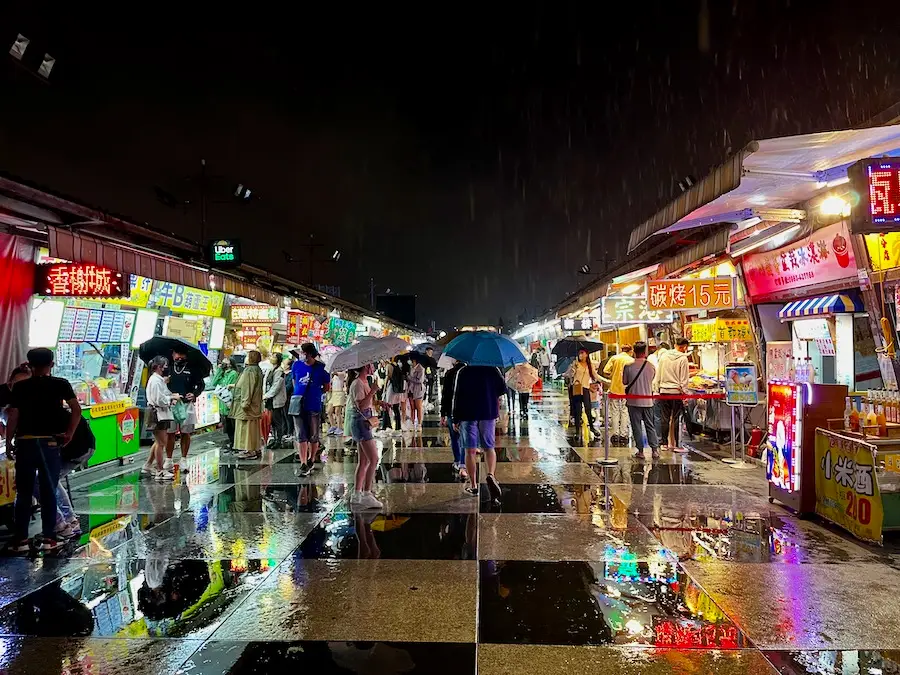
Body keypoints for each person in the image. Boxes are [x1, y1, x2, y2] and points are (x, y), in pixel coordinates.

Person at [4, 348, 81, 553]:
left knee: (24, 493)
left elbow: (13, 416)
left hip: (25, 444)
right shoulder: (60, 384)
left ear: (29, 365)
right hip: (49, 444)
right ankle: (49, 538)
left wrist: (10, 441)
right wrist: (69, 433)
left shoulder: (20, 387)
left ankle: (20, 540)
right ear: (52, 364)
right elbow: (76, 409)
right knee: (48, 492)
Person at [452, 363, 507, 498]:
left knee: (469, 450)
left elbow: (457, 395)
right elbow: (502, 389)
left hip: (467, 414)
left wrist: (455, 418)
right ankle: (491, 475)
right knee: (489, 448)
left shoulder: (463, 371)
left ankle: (474, 485)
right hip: (488, 411)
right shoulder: (493, 369)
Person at [290, 343, 330, 476]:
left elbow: (326, 387)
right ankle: (303, 462)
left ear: (310, 354)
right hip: (298, 405)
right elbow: (295, 382)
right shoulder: (296, 365)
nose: (301, 354)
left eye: (303, 352)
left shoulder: (321, 368)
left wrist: (315, 393)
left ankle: (311, 458)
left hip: (313, 405)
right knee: (301, 435)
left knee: (313, 435)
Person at [348, 363, 383, 509]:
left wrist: (380, 402)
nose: (373, 367)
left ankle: (357, 494)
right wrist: (373, 391)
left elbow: (368, 402)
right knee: (374, 458)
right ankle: (367, 494)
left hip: (363, 420)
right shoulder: (357, 383)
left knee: (363, 461)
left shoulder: (363, 382)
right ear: (365, 367)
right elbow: (361, 405)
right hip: (360, 422)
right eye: (371, 365)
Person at [165, 348, 206, 473]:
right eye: (177, 353)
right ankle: (168, 459)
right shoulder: (167, 368)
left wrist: (194, 394)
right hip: (171, 404)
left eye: (182, 354)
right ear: (172, 354)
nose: (179, 357)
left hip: (187, 405)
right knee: (170, 433)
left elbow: (201, 384)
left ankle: (183, 459)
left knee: (186, 432)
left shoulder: (193, 369)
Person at [623, 341, 660, 459]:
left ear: (634, 352)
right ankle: (654, 450)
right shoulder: (651, 366)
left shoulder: (628, 366)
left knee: (636, 426)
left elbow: (624, 382)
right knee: (650, 425)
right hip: (648, 401)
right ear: (645, 352)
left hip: (633, 402)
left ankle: (641, 451)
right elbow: (652, 378)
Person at [143, 356, 178, 480]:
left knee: (158, 441)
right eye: (164, 366)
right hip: (158, 414)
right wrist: (171, 399)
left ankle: (148, 465)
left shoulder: (158, 380)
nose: (166, 368)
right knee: (161, 443)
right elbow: (160, 400)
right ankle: (160, 470)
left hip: (160, 413)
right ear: (158, 367)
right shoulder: (156, 381)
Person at [655, 337, 691, 451]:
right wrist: (685, 393)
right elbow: (684, 379)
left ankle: (664, 443)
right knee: (675, 418)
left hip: (663, 391)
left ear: (675, 344)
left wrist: (657, 389)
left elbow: (658, 375)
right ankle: (675, 444)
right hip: (676, 392)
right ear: (684, 347)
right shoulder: (683, 359)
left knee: (664, 418)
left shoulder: (663, 357)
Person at [233, 350, 264, 460]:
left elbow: (248, 388)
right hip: (255, 404)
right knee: (253, 428)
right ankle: (255, 448)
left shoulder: (249, 370)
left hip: (248, 405)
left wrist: (245, 403)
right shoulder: (257, 369)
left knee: (246, 429)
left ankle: (249, 450)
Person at [565, 349, 601, 441]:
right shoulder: (575, 363)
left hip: (585, 389)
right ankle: (577, 431)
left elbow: (595, 375)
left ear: (586, 354)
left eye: (582, 353)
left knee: (588, 409)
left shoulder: (590, 365)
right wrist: (573, 368)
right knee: (578, 411)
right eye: (579, 353)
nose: (580, 355)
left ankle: (592, 428)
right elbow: (568, 375)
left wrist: (606, 381)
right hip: (576, 389)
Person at [441, 359, 466, 479]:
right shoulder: (468, 373)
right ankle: (463, 463)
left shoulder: (449, 373)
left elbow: (445, 395)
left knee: (454, 437)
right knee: (464, 438)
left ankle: (457, 460)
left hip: (451, 411)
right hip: (466, 411)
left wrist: (442, 414)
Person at [604, 345, 634, 446]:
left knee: (615, 411)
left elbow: (606, 371)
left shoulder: (614, 358)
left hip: (615, 388)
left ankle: (615, 434)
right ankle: (623, 434)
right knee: (625, 411)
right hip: (627, 389)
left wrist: (613, 375)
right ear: (630, 351)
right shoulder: (631, 360)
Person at [209, 357, 238, 449]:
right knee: (227, 425)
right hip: (222, 403)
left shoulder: (233, 374)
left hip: (229, 402)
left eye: (227, 361)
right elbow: (214, 383)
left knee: (232, 425)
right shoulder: (222, 374)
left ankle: (235, 443)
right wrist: (219, 370)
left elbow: (227, 387)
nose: (224, 362)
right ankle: (231, 442)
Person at [263, 353, 288, 449]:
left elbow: (276, 386)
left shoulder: (280, 371)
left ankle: (279, 440)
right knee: (271, 421)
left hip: (276, 399)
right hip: (269, 400)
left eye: (274, 357)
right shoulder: (270, 370)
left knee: (277, 420)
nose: (271, 358)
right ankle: (274, 438)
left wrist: (267, 395)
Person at [384, 356, 406, 434]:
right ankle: (398, 426)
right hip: (397, 390)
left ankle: (387, 425)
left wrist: (384, 389)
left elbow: (387, 378)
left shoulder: (389, 366)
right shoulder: (397, 366)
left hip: (391, 389)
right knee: (396, 408)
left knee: (386, 406)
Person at [407, 357, 426, 430]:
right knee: (412, 408)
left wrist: (409, 377)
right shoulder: (411, 368)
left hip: (418, 390)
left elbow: (420, 381)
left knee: (418, 407)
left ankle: (419, 424)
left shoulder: (421, 369)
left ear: (414, 360)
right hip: (411, 390)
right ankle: (412, 423)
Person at [327, 371, 347, 436]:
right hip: (333, 393)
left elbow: (336, 373)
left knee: (337, 412)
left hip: (339, 393)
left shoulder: (342, 373)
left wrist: (330, 371)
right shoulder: (333, 377)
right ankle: (333, 426)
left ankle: (340, 428)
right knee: (329, 411)